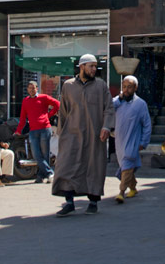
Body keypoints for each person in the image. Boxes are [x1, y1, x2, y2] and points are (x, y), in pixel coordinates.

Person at [52, 54, 115, 216]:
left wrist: (107, 127)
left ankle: (93, 202)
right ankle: (69, 202)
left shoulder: (101, 86)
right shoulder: (68, 85)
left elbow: (109, 109)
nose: (95, 69)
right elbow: (63, 111)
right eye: (91, 66)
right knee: (66, 166)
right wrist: (61, 133)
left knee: (93, 167)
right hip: (71, 135)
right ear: (82, 67)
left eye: (96, 66)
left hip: (94, 136)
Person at [112, 75, 152, 204]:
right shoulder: (118, 102)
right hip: (119, 140)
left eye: (129, 87)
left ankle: (121, 192)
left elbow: (146, 124)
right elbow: (107, 108)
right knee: (124, 165)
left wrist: (144, 142)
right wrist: (119, 98)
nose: (126, 90)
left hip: (133, 141)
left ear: (135, 88)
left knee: (127, 164)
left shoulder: (140, 104)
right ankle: (133, 188)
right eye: (124, 87)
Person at [13, 80, 60, 183]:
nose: (31, 90)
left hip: (45, 128)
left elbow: (57, 104)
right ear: (27, 89)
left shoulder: (43, 98)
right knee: (36, 154)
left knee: (45, 153)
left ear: (37, 88)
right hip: (33, 130)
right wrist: (18, 130)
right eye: (29, 88)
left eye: (33, 88)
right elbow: (22, 118)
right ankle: (49, 173)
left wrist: (48, 115)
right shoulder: (25, 101)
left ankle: (41, 176)